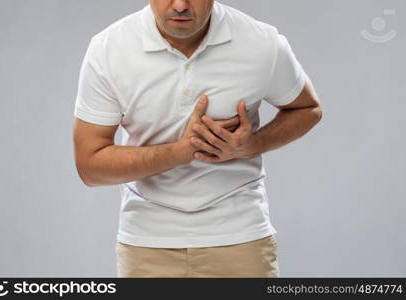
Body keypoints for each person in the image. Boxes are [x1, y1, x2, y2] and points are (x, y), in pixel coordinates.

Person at [72, 0, 322, 278]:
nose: (180, 5)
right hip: (147, 243)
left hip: (241, 238)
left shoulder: (261, 42)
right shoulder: (108, 49)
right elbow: (90, 166)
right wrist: (182, 151)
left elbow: (307, 108)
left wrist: (255, 144)